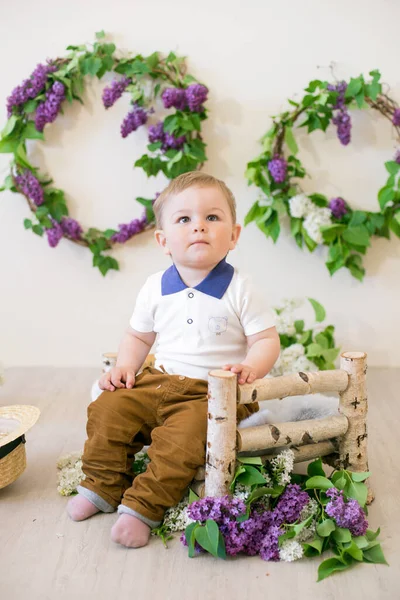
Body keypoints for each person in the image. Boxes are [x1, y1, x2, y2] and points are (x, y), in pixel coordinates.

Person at [67, 171, 280, 548]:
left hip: (213, 394)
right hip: (158, 381)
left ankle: (143, 508)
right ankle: (101, 485)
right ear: (164, 241)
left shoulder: (240, 288)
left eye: (212, 217)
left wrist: (251, 367)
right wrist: (126, 368)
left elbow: (265, 340)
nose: (199, 226)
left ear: (234, 235)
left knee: (182, 440)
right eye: (185, 219)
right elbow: (137, 336)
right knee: (107, 409)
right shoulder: (155, 286)